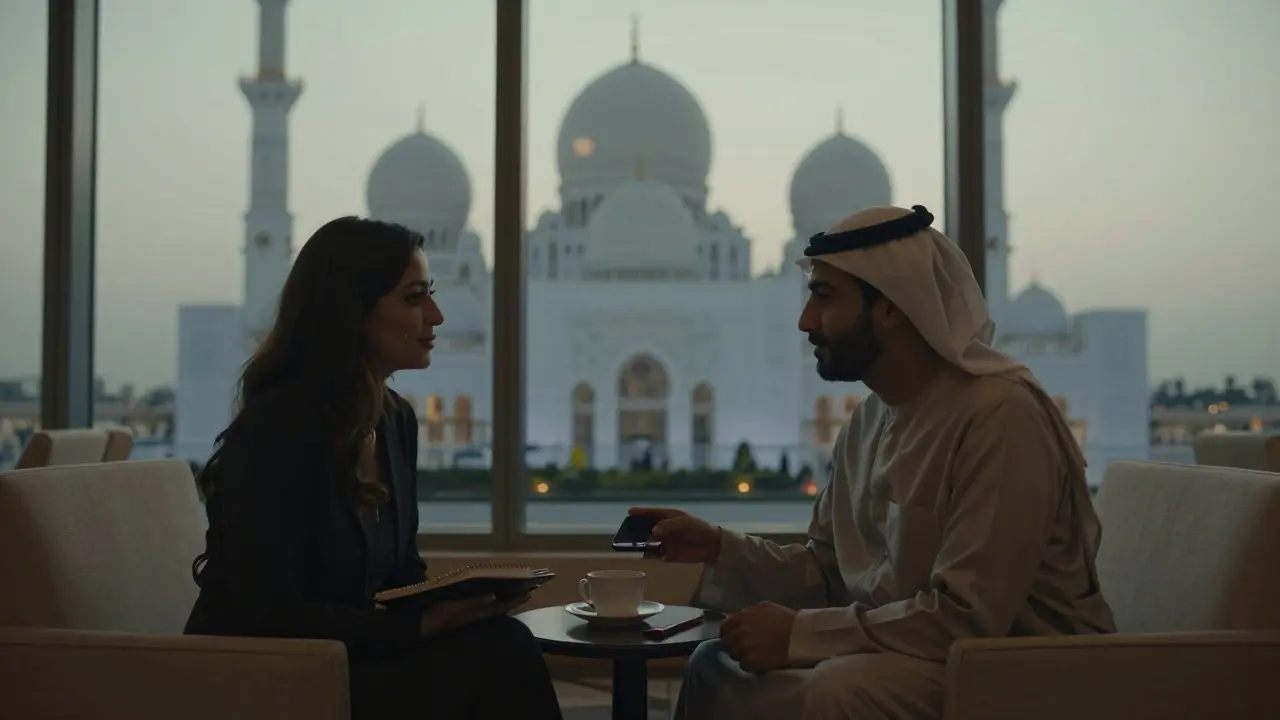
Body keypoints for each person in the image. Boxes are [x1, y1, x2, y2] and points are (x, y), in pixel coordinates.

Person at [635, 205, 1116, 720]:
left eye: (824, 298)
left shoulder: (999, 416)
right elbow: (827, 571)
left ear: (891, 308)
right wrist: (718, 547)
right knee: (715, 663)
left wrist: (800, 636)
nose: (805, 322)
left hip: (1024, 667)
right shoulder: (870, 419)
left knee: (841, 690)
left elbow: (970, 616)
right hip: (923, 649)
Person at [184, 217, 563, 720]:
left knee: (499, 640)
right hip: (271, 674)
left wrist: (456, 605)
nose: (437, 315)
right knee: (498, 659)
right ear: (353, 311)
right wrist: (418, 628)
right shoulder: (279, 430)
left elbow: (401, 573)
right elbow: (269, 612)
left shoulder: (393, 419)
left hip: (350, 655)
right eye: (413, 298)